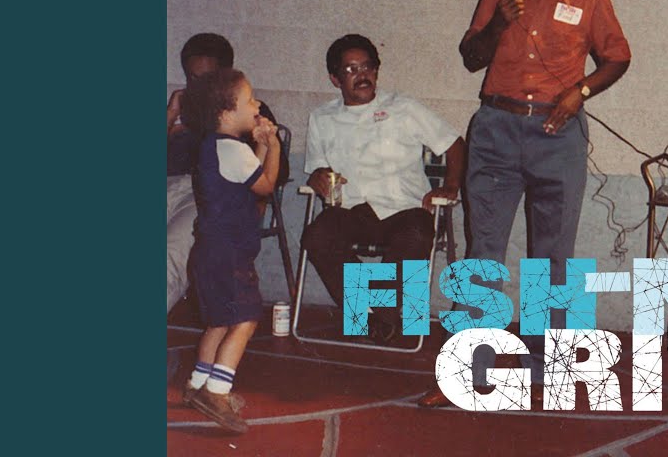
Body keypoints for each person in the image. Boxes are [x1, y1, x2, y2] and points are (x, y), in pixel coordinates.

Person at [418, 0, 631, 408]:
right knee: (483, 252)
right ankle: (467, 372)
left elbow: (618, 57)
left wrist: (579, 92)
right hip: (496, 129)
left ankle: (546, 371)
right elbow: (471, 58)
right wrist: (498, 24)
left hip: (558, 134)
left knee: (552, 258)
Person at [301, 34, 466, 344]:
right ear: (335, 79)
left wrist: (451, 185)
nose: (362, 75)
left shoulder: (403, 108)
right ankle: (379, 315)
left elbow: (454, 144)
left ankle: (373, 316)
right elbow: (318, 170)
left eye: (367, 67)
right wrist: (317, 178)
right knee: (317, 236)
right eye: (351, 70)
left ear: (376, 71)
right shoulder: (322, 119)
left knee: (417, 236)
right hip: (351, 211)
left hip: (405, 210)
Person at [179, 68, 282, 434]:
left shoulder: (217, 147)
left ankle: (197, 384)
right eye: (250, 100)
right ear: (226, 112)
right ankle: (217, 391)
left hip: (209, 252)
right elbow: (265, 185)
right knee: (245, 319)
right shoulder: (234, 151)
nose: (257, 105)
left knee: (218, 321)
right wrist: (274, 147)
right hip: (229, 254)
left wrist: (260, 145)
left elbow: (246, 174)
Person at [167, 33, 287, 314]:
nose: (199, 87)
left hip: (205, 197)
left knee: (172, 250)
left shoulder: (243, 112)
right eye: (193, 79)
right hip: (168, 185)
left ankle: (382, 322)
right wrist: (170, 116)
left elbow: (272, 175)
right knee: (325, 239)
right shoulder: (181, 109)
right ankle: (372, 322)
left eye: (207, 79)